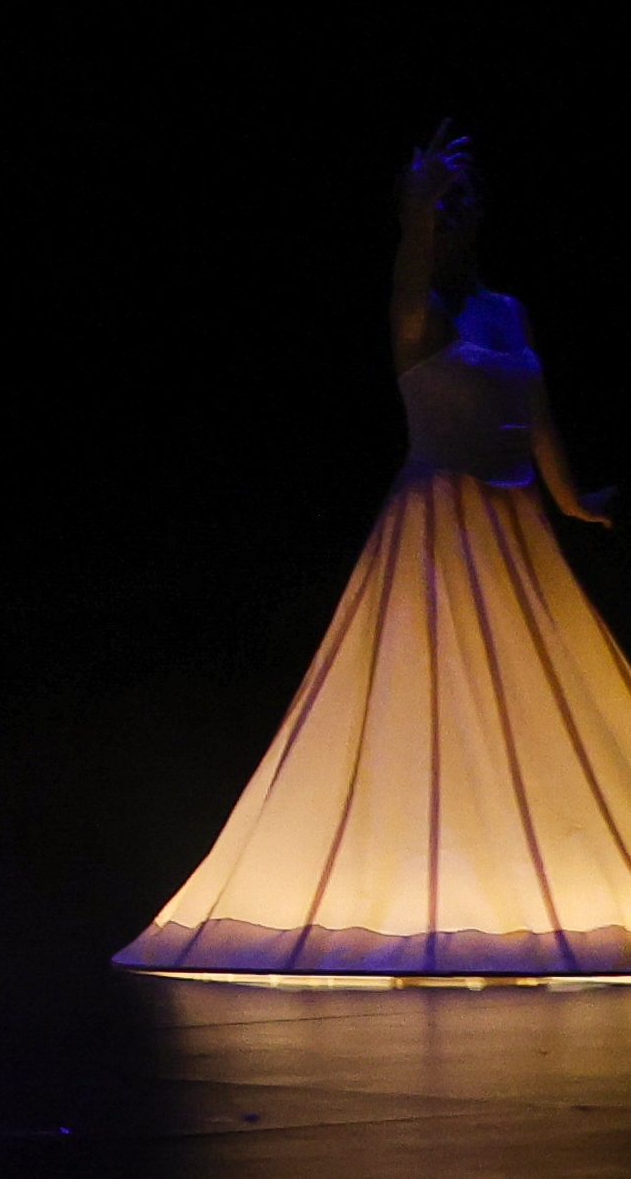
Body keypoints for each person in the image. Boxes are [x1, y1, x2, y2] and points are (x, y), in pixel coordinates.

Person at [120, 130, 631, 975]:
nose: (453, 214)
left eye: (464, 199)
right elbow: (410, 286)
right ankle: (419, 894)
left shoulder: (508, 310)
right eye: (438, 204)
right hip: (441, 526)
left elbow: (533, 414)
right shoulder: (417, 308)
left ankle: (525, 884)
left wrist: (573, 499)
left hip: (516, 528)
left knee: (539, 711)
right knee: (433, 705)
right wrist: (418, 209)